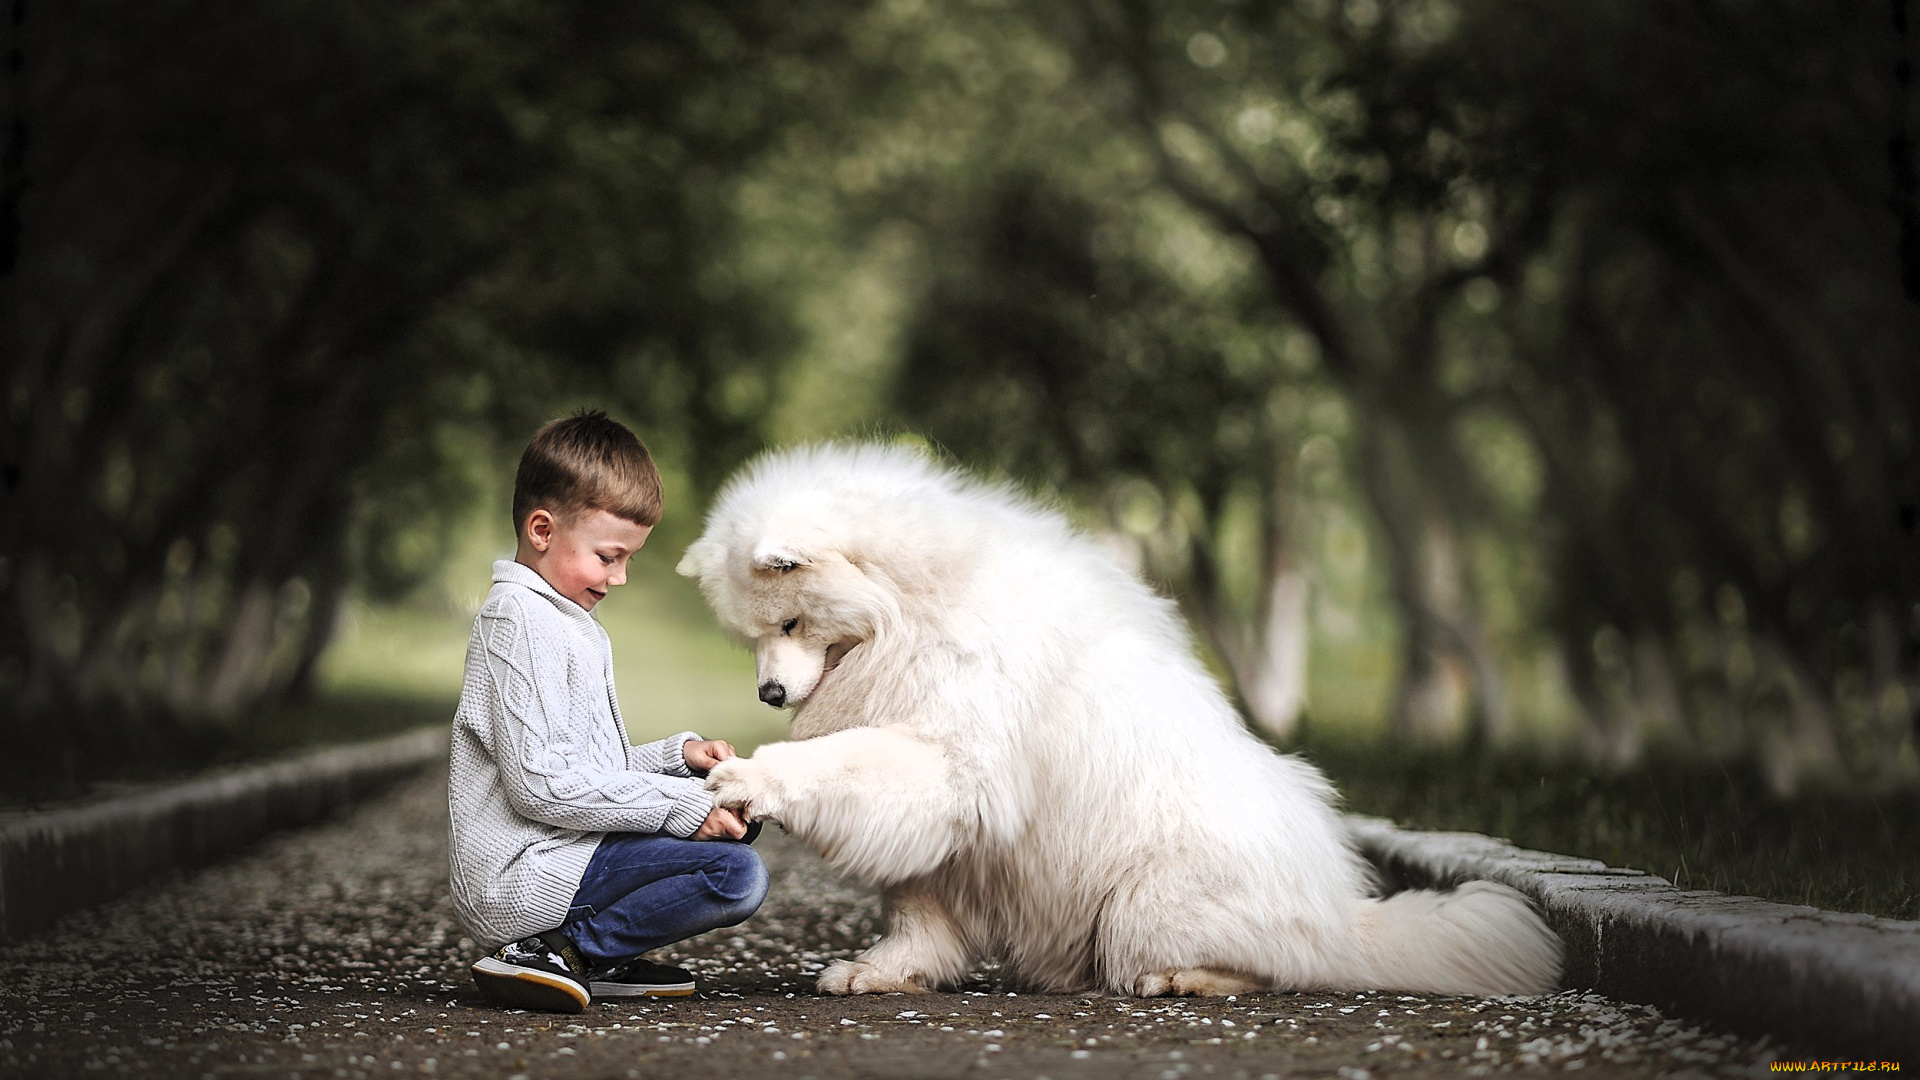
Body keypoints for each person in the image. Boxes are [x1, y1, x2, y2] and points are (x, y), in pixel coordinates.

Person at [447, 410, 767, 1013]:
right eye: (608, 556)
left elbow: (590, 766)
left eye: (628, 560)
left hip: (569, 851)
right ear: (542, 530)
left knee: (736, 838)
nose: (618, 578)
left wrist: (679, 760)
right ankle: (564, 950)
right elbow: (541, 786)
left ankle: (589, 955)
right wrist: (682, 809)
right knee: (736, 876)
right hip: (522, 871)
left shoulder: (568, 622)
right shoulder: (516, 618)